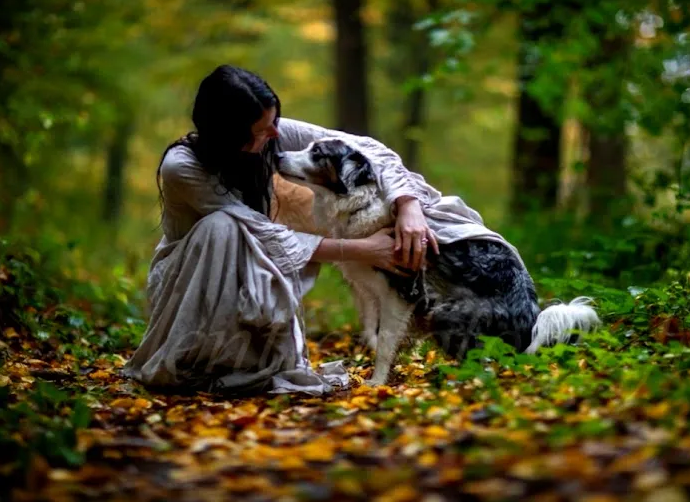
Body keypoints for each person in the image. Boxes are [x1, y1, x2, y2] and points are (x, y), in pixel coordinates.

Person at [122, 64, 526, 396]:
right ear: (228, 133)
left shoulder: (271, 133)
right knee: (222, 226)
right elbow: (259, 235)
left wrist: (408, 206)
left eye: (275, 122)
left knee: (413, 213)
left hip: (262, 265)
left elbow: (370, 150)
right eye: (263, 131)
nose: (276, 136)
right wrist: (362, 249)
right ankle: (198, 355)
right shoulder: (183, 168)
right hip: (197, 277)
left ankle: (498, 317)